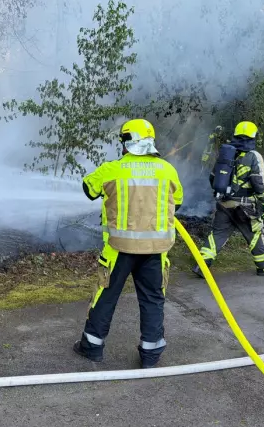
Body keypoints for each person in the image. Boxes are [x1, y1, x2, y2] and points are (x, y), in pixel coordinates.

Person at [73, 118, 184, 369]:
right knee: (153, 299)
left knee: (106, 296)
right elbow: (177, 202)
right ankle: (151, 355)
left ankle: (92, 347)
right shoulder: (167, 170)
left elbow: (88, 188)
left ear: (127, 142)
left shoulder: (112, 169)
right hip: (155, 251)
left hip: (118, 250)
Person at [193, 121, 264, 278]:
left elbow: (213, 178)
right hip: (244, 206)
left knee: (217, 234)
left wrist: (224, 194)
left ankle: (202, 265)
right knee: (255, 233)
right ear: (253, 137)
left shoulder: (226, 154)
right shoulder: (253, 156)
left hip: (224, 203)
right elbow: (258, 182)